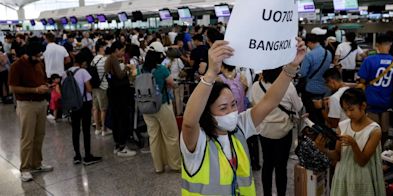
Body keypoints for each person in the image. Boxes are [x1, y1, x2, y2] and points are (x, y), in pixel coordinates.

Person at [180, 39, 305, 195]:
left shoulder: (239, 126)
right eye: (223, 108)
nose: (232, 112)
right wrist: (211, 73)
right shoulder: (198, 141)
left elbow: (270, 101)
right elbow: (189, 123)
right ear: (207, 112)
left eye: (233, 104)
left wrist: (291, 67)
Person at [315, 88, 385, 196]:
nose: (348, 113)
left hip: (362, 179)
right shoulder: (343, 125)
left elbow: (362, 161)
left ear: (363, 106)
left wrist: (353, 144)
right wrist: (323, 150)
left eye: (351, 109)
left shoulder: (374, 130)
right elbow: (338, 156)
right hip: (342, 176)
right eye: (345, 110)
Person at [252, 67, 303, 196]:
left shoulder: (256, 86)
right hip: (283, 131)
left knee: (267, 165)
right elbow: (299, 107)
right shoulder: (288, 86)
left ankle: (267, 193)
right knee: (281, 167)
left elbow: (254, 106)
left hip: (264, 131)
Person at [8, 37, 53, 182]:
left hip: (41, 103)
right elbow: (12, 87)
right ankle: (25, 168)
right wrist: (35, 90)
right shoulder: (17, 66)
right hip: (27, 104)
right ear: (29, 54)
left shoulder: (39, 63)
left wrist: (47, 85)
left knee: (39, 135)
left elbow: (42, 79)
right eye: (38, 55)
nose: (40, 58)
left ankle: (37, 163)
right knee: (27, 138)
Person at [141, 41, 181, 173]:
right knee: (171, 135)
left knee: (154, 137)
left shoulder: (141, 69)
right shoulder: (161, 69)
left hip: (146, 106)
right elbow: (172, 83)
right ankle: (175, 165)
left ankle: (158, 167)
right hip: (162, 104)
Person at [357, 34, 393, 144]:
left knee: (372, 129)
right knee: (384, 128)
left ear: (377, 45)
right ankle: (383, 147)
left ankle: (373, 150)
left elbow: (362, 80)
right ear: (389, 45)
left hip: (371, 99)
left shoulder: (369, 60)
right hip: (386, 100)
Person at [65, 52, 102, 165]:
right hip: (85, 103)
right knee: (86, 129)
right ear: (83, 62)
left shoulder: (65, 73)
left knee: (75, 130)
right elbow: (89, 88)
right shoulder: (83, 72)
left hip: (73, 104)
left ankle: (77, 156)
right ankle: (87, 156)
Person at [105, 41, 137, 157]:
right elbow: (119, 75)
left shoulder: (110, 59)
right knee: (122, 119)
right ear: (116, 50)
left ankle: (118, 145)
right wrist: (128, 69)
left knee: (116, 119)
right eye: (122, 50)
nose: (123, 53)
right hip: (119, 94)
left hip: (114, 93)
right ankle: (122, 146)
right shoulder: (113, 59)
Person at [299, 32, 332, 125]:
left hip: (310, 89)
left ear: (309, 42)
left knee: (312, 114)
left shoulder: (309, 55)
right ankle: (322, 132)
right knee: (321, 113)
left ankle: (314, 134)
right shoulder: (328, 53)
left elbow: (303, 73)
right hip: (324, 89)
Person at [91, 40, 111, 136]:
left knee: (95, 108)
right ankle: (104, 129)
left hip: (94, 87)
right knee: (103, 109)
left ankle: (97, 128)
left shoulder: (93, 60)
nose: (105, 49)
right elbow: (108, 72)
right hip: (103, 86)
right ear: (100, 48)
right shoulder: (104, 60)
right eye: (104, 47)